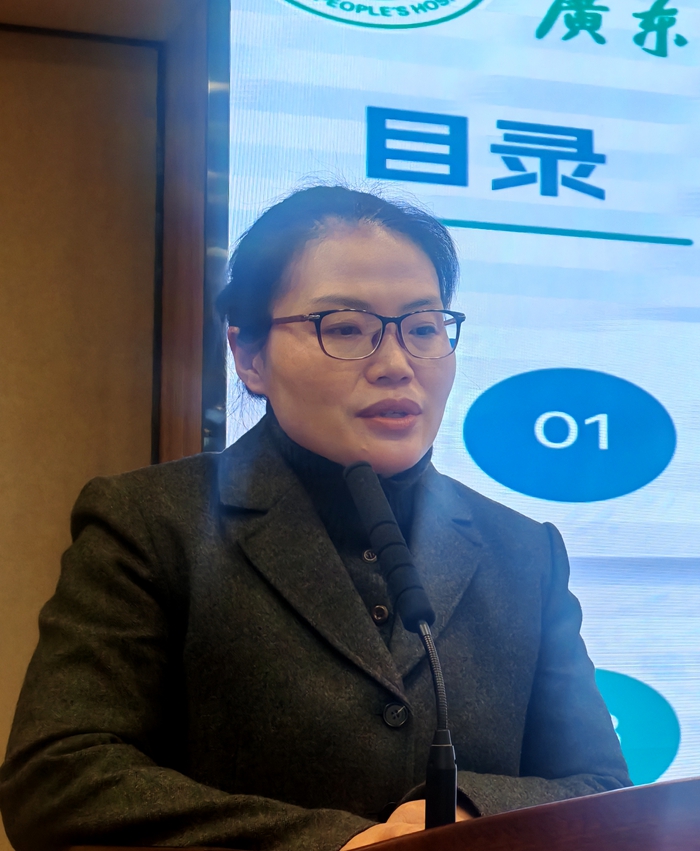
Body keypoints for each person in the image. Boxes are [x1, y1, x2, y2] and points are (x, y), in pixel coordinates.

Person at [0, 186, 631, 851]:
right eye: (346, 328)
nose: (396, 365)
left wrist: (472, 812)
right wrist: (337, 845)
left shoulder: (523, 551)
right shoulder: (153, 523)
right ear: (248, 355)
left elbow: (600, 785)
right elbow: (59, 777)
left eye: (422, 328)